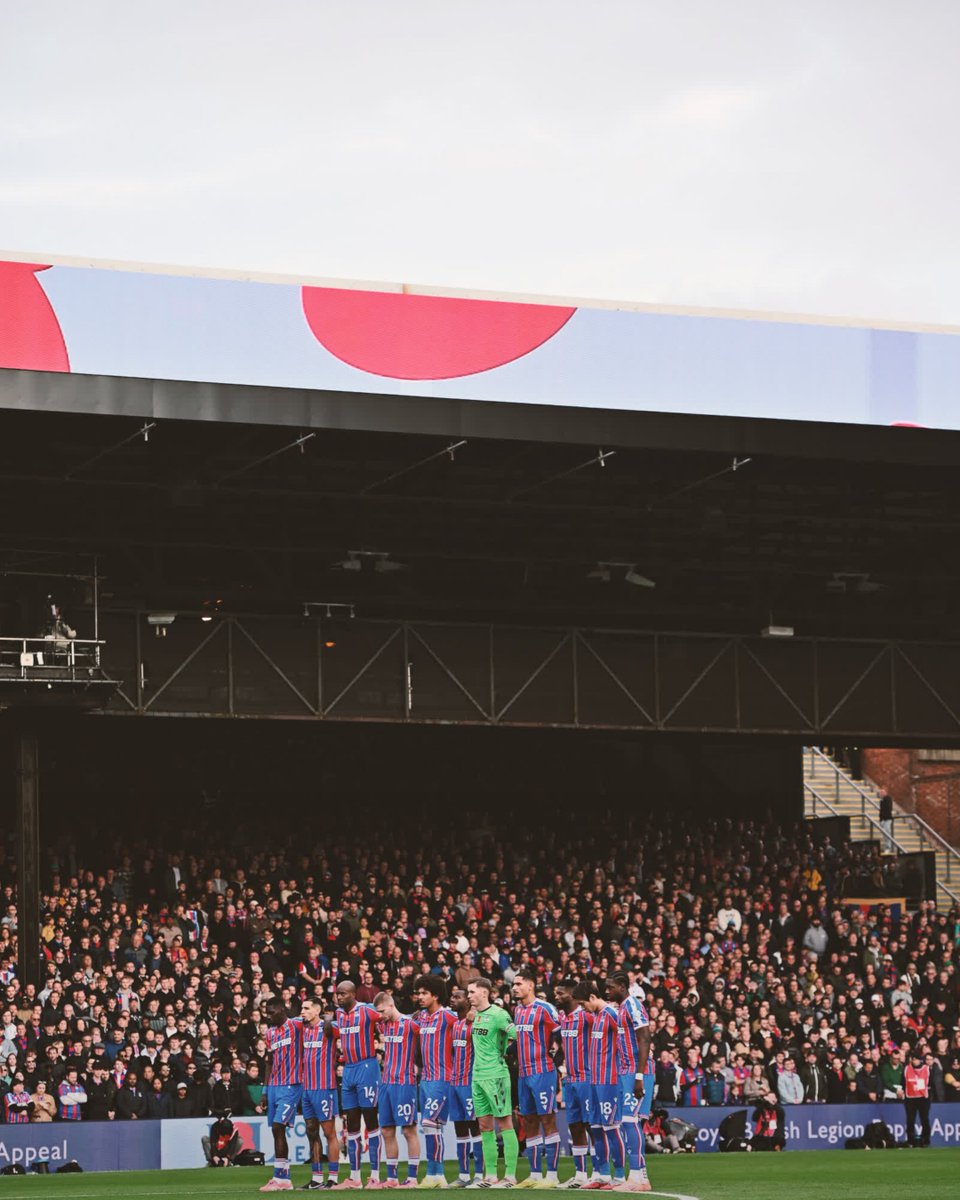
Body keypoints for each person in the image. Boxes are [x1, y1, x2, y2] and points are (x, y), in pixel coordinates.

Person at [466, 977, 520, 1187]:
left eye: (472, 992)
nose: (469, 995)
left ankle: (510, 1176)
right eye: (468, 992)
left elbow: (516, 1035)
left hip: (496, 1075)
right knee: (484, 1126)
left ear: (484, 993)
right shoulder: (475, 1016)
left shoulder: (499, 1015)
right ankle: (490, 1176)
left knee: (505, 1123)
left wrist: (506, 1055)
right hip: (477, 1076)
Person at [511, 969, 561, 1188]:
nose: (514, 988)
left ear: (530, 985)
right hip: (523, 1074)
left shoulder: (545, 1008)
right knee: (529, 1121)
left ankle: (552, 1175)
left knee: (547, 1120)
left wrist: (558, 1063)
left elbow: (560, 1037)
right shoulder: (517, 1011)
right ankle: (534, 1174)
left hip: (542, 1073)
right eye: (513, 984)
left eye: (518, 984)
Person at [332, 979, 383, 1190]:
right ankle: (354, 1177)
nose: (339, 997)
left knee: (371, 1121)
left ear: (353, 994)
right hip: (349, 1070)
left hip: (367, 1068)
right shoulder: (339, 1014)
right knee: (351, 1124)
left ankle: (375, 1176)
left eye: (342, 993)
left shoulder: (368, 1011)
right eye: (337, 993)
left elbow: (388, 1016)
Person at [579, 979, 627, 1191]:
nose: (583, 1009)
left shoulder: (612, 1015)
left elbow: (627, 1039)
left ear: (592, 998)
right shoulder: (597, 1016)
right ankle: (603, 1175)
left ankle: (620, 1176)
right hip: (594, 1080)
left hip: (610, 1080)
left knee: (611, 1128)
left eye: (583, 1004)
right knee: (596, 1129)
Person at [607, 971, 652, 1193]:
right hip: (627, 1071)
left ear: (622, 986)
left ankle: (636, 1176)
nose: (607, 991)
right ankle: (640, 1178)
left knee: (628, 1121)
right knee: (628, 1122)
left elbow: (645, 1037)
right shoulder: (622, 1008)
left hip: (635, 1071)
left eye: (610, 987)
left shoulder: (633, 1005)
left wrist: (639, 1076)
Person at [375, 991, 420, 1189]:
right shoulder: (383, 1024)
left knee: (409, 1130)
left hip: (405, 1082)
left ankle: (412, 1177)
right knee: (386, 1130)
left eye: (382, 1011)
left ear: (391, 1005)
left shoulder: (411, 1024)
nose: (380, 1015)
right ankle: (392, 1177)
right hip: (386, 1083)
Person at [416, 975, 458, 1186]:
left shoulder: (448, 1017)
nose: (420, 997)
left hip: (442, 1078)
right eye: (419, 993)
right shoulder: (421, 1017)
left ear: (435, 995)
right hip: (425, 1079)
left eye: (424, 993)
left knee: (429, 1122)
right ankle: (432, 1174)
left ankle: (438, 1173)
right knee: (432, 1127)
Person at [260, 997, 305, 1193]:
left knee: (279, 1125)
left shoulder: (296, 1024)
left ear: (281, 1009)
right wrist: (265, 1090)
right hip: (274, 1087)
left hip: (292, 1084)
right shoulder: (270, 1033)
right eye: (267, 1013)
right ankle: (283, 1178)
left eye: (271, 1012)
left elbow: (317, 1021)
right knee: (276, 1130)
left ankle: (280, 1177)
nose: (269, 1016)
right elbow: (268, 1061)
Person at [301, 996, 342, 1190]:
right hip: (307, 1089)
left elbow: (347, 1031)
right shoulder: (303, 1029)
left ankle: (333, 1178)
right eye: (302, 1008)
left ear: (317, 1010)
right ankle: (316, 1179)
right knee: (311, 1132)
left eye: (306, 1008)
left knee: (329, 1133)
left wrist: (328, 1019)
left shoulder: (328, 1028)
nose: (302, 1011)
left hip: (324, 1088)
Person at [555, 979, 593, 1189]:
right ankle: (580, 1174)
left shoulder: (586, 1016)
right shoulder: (562, 1018)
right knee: (575, 1126)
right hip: (570, 1080)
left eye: (560, 994)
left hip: (587, 1079)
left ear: (571, 995)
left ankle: (599, 1172)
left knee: (592, 1126)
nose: (557, 997)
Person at [449, 986, 484, 1187]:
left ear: (468, 1001)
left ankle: (479, 1174)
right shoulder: (454, 1024)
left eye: (457, 997)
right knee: (459, 1129)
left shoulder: (476, 1023)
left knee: (475, 1128)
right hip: (454, 1083)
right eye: (452, 996)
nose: (452, 999)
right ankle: (463, 1175)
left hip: (470, 1083)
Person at [904, 1050, 931, 1147]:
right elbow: (903, 1082)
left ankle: (926, 1140)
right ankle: (910, 1141)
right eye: (913, 1059)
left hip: (923, 1098)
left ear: (920, 1060)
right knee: (910, 1120)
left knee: (924, 1120)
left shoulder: (926, 1069)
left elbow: (931, 1083)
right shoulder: (907, 1069)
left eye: (916, 1059)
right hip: (910, 1098)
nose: (915, 1061)